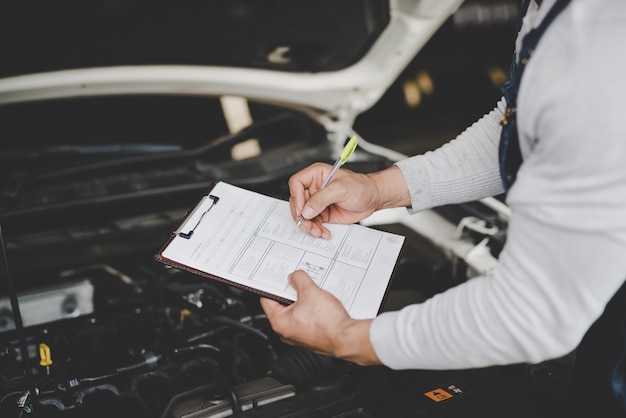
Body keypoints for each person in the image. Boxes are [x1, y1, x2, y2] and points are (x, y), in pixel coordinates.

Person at [260, 0, 626, 415]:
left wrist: (345, 337)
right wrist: (378, 188)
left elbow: (532, 313)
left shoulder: (604, 41)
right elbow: (521, 123)